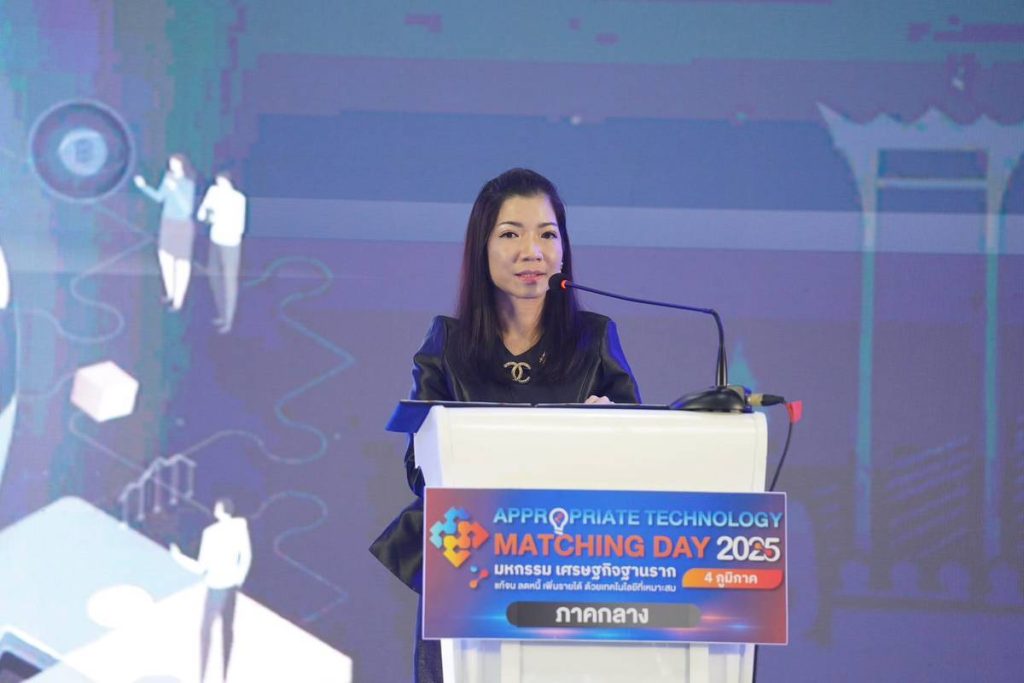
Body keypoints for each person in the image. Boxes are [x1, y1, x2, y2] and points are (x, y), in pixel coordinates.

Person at [369, 168, 641, 682]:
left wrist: (610, 434)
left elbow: (641, 464)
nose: (531, 252)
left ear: (563, 250)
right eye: (511, 234)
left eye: (547, 234)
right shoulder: (447, 344)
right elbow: (419, 472)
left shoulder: (595, 339)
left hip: (571, 563)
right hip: (468, 561)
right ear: (483, 248)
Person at [170, 497, 252, 682]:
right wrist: (238, 580)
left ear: (219, 510)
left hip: (216, 586)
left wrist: (178, 557)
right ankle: (223, 676)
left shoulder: (211, 533)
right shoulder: (239, 527)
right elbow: (245, 556)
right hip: (230, 586)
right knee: (226, 630)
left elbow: (201, 567)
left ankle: (203, 676)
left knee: (207, 631)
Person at [133, 154, 197, 310]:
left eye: (175, 164)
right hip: (167, 222)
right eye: (170, 164)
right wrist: (143, 186)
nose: (172, 167)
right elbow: (159, 197)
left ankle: (178, 300)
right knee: (165, 257)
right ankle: (170, 293)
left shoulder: (188, 183)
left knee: (181, 262)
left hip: (182, 225)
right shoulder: (169, 178)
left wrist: (175, 190)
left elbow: (187, 209)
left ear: (182, 165)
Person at [197, 170, 247, 334]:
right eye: (218, 183)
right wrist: (208, 216)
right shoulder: (213, 193)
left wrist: (219, 218)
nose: (220, 186)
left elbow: (239, 225)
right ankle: (221, 313)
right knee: (213, 274)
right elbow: (202, 214)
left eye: (222, 183)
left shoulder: (238, 199)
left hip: (230, 243)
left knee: (229, 280)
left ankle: (228, 320)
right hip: (216, 240)